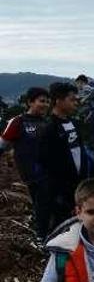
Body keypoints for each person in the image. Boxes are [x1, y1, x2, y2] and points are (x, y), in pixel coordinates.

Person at [40, 82, 94, 233]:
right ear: (58, 100)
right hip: (61, 188)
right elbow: (46, 160)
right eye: (71, 99)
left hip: (79, 183)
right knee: (61, 222)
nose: (76, 102)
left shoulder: (73, 124)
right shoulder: (49, 128)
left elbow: (80, 152)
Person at [1, 87, 51, 239]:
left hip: (48, 170)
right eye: (41, 101)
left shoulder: (47, 123)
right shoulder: (18, 122)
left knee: (45, 202)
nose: (45, 105)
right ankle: (41, 236)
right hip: (32, 171)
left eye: (47, 101)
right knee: (42, 202)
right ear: (30, 102)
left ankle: (44, 230)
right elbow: (3, 143)